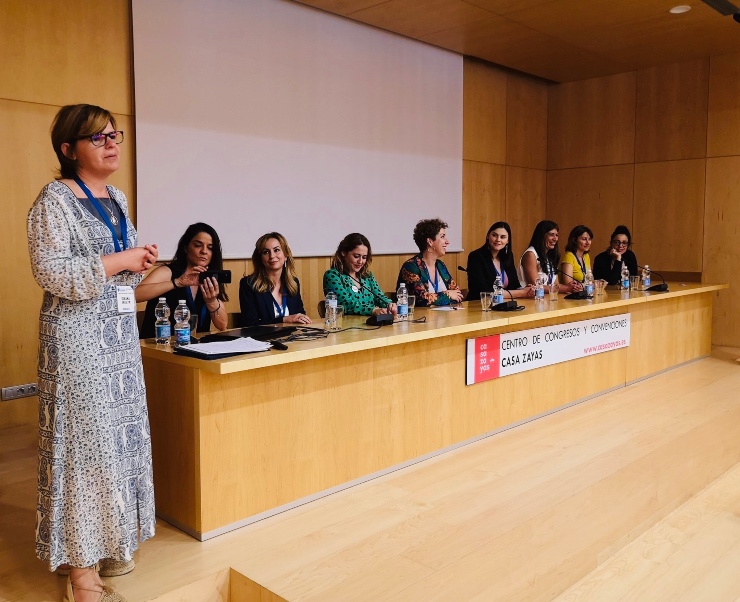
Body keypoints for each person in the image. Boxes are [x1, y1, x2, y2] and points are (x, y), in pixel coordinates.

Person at [27, 104, 158, 602]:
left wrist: (135, 263)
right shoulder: (53, 200)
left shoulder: (118, 196)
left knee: (118, 444)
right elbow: (53, 272)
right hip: (78, 338)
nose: (111, 143)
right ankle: (81, 578)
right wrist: (120, 260)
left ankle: (108, 542)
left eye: (114, 134)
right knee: (85, 449)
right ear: (68, 149)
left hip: (120, 335)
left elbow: (115, 267)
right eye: (97, 137)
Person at [137, 223, 229, 338]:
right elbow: (135, 294)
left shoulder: (210, 279)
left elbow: (222, 325)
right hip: (161, 347)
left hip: (196, 349)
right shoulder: (168, 271)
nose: (204, 251)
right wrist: (177, 282)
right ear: (186, 247)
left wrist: (211, 301)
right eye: (198, 245)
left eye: (210, 248)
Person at [239, 232, 312, 326]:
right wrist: (284, 319)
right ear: (260, 259)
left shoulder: (293, 283)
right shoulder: (248, 284)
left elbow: (299, 316)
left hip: (293, 338)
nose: (272, 256)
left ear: (286, 255)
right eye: (266, 252)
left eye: (276, 250)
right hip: (262, 339)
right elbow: (250, 324)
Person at [323, 233, 398, 316]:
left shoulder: (367, 275)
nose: (360, 261)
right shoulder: (332, 275)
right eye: (356, 256)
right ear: (343, 252)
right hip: (346, 326)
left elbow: (379, 296)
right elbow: (345, 304)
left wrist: (390, 304)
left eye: (364, 257)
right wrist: (373, 310)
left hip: (371, 326)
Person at [397, 218, 464, 307]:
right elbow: (422, 299)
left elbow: (457, 294)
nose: (447, 242)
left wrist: (443, 297)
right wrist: (448, 294)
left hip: (444, 318)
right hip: (419, 318)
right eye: (442, 236)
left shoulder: (440, 265)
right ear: (430, 242)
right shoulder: (411, 267)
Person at [466, 222, 535, 300]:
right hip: (480, 305)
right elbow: (483, 292)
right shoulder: (476, 257)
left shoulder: (507, 256)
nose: (498, 240)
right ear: (488, 236)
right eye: (494, 235)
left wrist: (526, 290)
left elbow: (515, 285)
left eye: (503, 237)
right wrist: (521, 293)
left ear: (507, 240)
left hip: (503, 304)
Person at [520, 220, 582, 293]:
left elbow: (556, 285)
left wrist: (571, 286)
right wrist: (566, 288)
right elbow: (536, 286)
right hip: (531, 300)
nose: (555, 239)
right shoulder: (530, 254)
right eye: (551, 235)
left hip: (547, 299)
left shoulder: (549, 256)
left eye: (556, 235)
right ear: (542, 235)